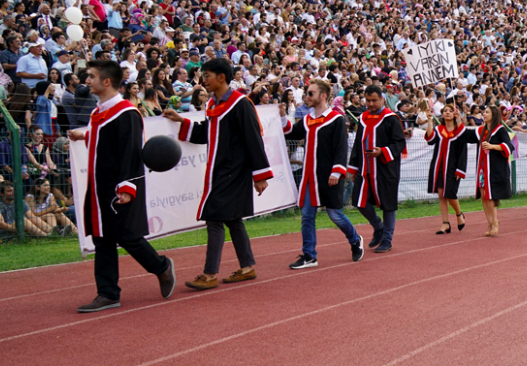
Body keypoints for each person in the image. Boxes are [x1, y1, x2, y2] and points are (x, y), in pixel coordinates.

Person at [68, 59, 174, 313]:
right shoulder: (99, 112)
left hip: (119, 186)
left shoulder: (126, 113)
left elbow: (130, 153)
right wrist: (84, 134)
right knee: (102, 238)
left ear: (106, 81)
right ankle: (107, 293)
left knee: (128, 237)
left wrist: (127, 188)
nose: (87, 81)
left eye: (91, 76)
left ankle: (161, 266)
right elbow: (106, 140)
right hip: (98, 186)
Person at [163, 58, 273, 290]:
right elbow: (207, 133)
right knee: (232, 219)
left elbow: (254, 139)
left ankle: (210, 273)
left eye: (207, 76)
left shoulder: (240, 104)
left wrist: (260, 175)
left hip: (233, 171)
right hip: (219, 170)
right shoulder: (213, 104)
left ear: (221, 77)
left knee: (213, 217)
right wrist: (181, 120)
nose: (204, 80)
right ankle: (247, 267)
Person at [282, 79, 362, 269]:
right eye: (306, 93)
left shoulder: (336, 119)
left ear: (323, 95)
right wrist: (282, 117)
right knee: (307, 215)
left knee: (334, 215)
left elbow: (341, 148)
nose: (307, 97)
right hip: (310, 177)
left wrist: (337, 171)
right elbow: (291, 134)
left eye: (311, 93)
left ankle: (354, 239)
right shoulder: (308, 120)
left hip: (329, 176)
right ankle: (309, 255)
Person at [348, 85, 406, 254]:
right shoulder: (363, 118)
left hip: (386, 169)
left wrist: (383, 151)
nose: (371, 104)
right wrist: (352, 168)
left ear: (382, 99)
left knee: (388, 205)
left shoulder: (391, 118)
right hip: (365, 170)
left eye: (374, 100)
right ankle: (378, 226)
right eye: (368, 100)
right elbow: (358, 145)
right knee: (359, 201)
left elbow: (399, 143)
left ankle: (387, 239)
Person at [424, 103, 469, 234]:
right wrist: (429, 120)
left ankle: (459, 214)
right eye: (445, 111)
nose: (447, 112)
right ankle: (445, 223)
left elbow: (463, 152)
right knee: (441, 195)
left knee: (450, 193)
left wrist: (460, 170)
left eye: (450, 110)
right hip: (439, 165)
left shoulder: (459, 131)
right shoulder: (439, 130)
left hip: (452, 168)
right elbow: (430, 139)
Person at [474, 105, 513, 235]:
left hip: (494, 169)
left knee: (489, 196)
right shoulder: (483, 131)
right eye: (483, 112)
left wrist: (492, 146)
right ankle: (489, 223)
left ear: (494, 115)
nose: (483, 114)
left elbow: (509, 146)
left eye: (487, 112)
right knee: (483, 196)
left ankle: (495, 222)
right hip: (482, 168)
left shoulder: (500, 130)